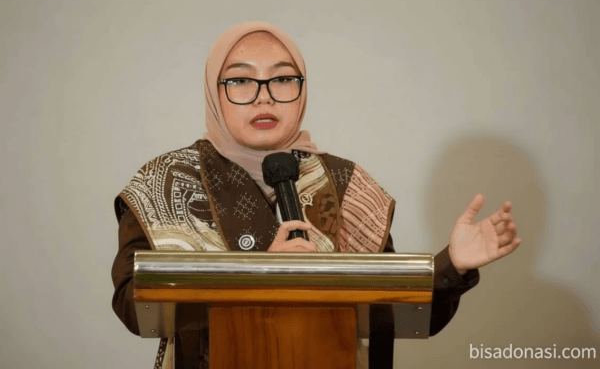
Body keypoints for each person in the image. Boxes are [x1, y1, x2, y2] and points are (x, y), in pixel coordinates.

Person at [111, 22, 521, 369]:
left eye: (282, 78)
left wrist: (452, 265)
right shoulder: (163, 181)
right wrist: (259, 276)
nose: (264, 95)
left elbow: (392, 315)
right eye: (240, 80)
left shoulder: (346, 183)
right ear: (214, 92)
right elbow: (132, 304)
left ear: (302, 89)